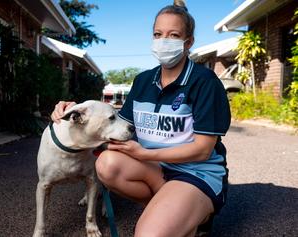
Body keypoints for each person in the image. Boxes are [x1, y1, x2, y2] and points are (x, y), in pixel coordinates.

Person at [51, 0, 231, 236]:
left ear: (188, 42)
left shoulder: (205, 82)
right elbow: (114, 128)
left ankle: (196, 213)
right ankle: (169, 207)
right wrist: (75, 111)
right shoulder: (143, 81)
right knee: (106, 164)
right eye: (158, 34)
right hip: (156, 168)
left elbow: (202, 151)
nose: (163, 41)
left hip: (195, 172)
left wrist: (146, 154)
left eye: (173, 35)